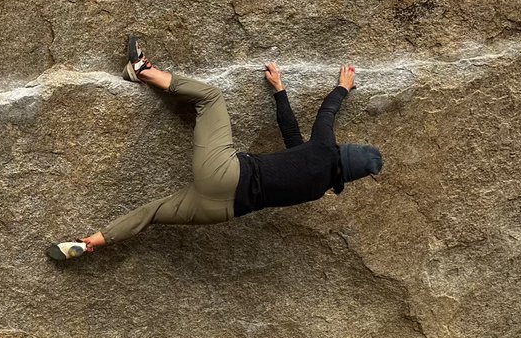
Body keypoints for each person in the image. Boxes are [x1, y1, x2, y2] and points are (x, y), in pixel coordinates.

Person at [46, 38, 383, 260]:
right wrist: (279, 92)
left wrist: (343, 87)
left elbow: (326, 114)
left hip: (226, 173)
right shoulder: (319, 187)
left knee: (211, 98)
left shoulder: (325, 149)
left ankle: (142, 71)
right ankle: (89, 243)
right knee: (150, 213)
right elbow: (293, 139)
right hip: (220, 211)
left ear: (344, 152)